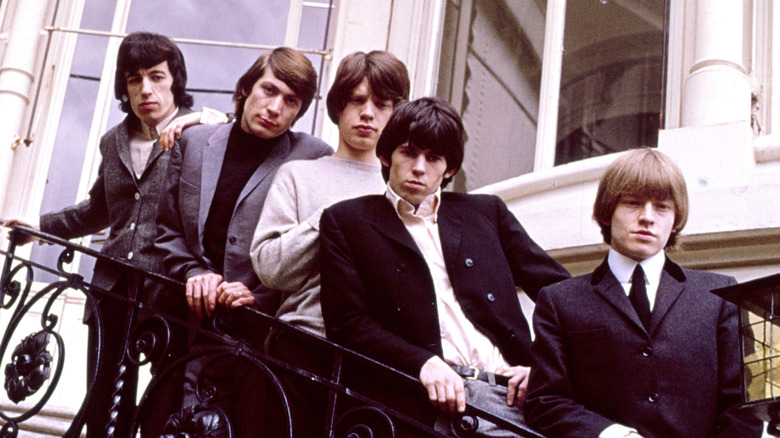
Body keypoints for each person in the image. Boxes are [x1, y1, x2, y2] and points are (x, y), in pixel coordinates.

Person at [318, 97, 570, 436]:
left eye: (433, 157)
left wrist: (544, 368)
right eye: (408, 153)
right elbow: (347, 323)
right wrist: (422, 363)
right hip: (420, 402)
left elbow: (563, 294)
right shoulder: (346, 221)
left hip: (513, 399)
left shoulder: (485, 213)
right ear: (385, 155)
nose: (419, 167)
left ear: (449, 168)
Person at [3, 32, 193, 437]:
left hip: (168, 292)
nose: (146, 89)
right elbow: (97, 210)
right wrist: (39, 228)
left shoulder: (200, 135)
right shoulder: (114, 141)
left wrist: (206, 118)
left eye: (157, 77)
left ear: (175, 79)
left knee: (164, 404)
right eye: (134, 79)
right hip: (112, 288)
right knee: (103, 403)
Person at [154, 46, 332, 437]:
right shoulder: (195, 141)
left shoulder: (314, 156)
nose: (275, 107)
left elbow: (311, 255)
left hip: (256, 338)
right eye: (268, 91)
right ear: (246, 88)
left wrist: (259, 295)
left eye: (291, 101)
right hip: (180, 325)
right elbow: (165, 229)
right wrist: (193, 271)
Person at [523, 148, 763, 438]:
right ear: (607, 212)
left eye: (662, 207)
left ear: (675, 219)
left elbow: (742, 408)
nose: (648, 217)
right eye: (633, 203)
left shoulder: (718, 296)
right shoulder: (560, 300)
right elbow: (545, 402)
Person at [248, 50, 409, 437]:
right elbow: (270, 268)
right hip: (303, 350)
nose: (368, 113)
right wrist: (334, 216)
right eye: (357, 100)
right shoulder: (299, 176)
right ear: (338, 105)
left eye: (382, 104)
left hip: (379, 362)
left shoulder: (405, 185)